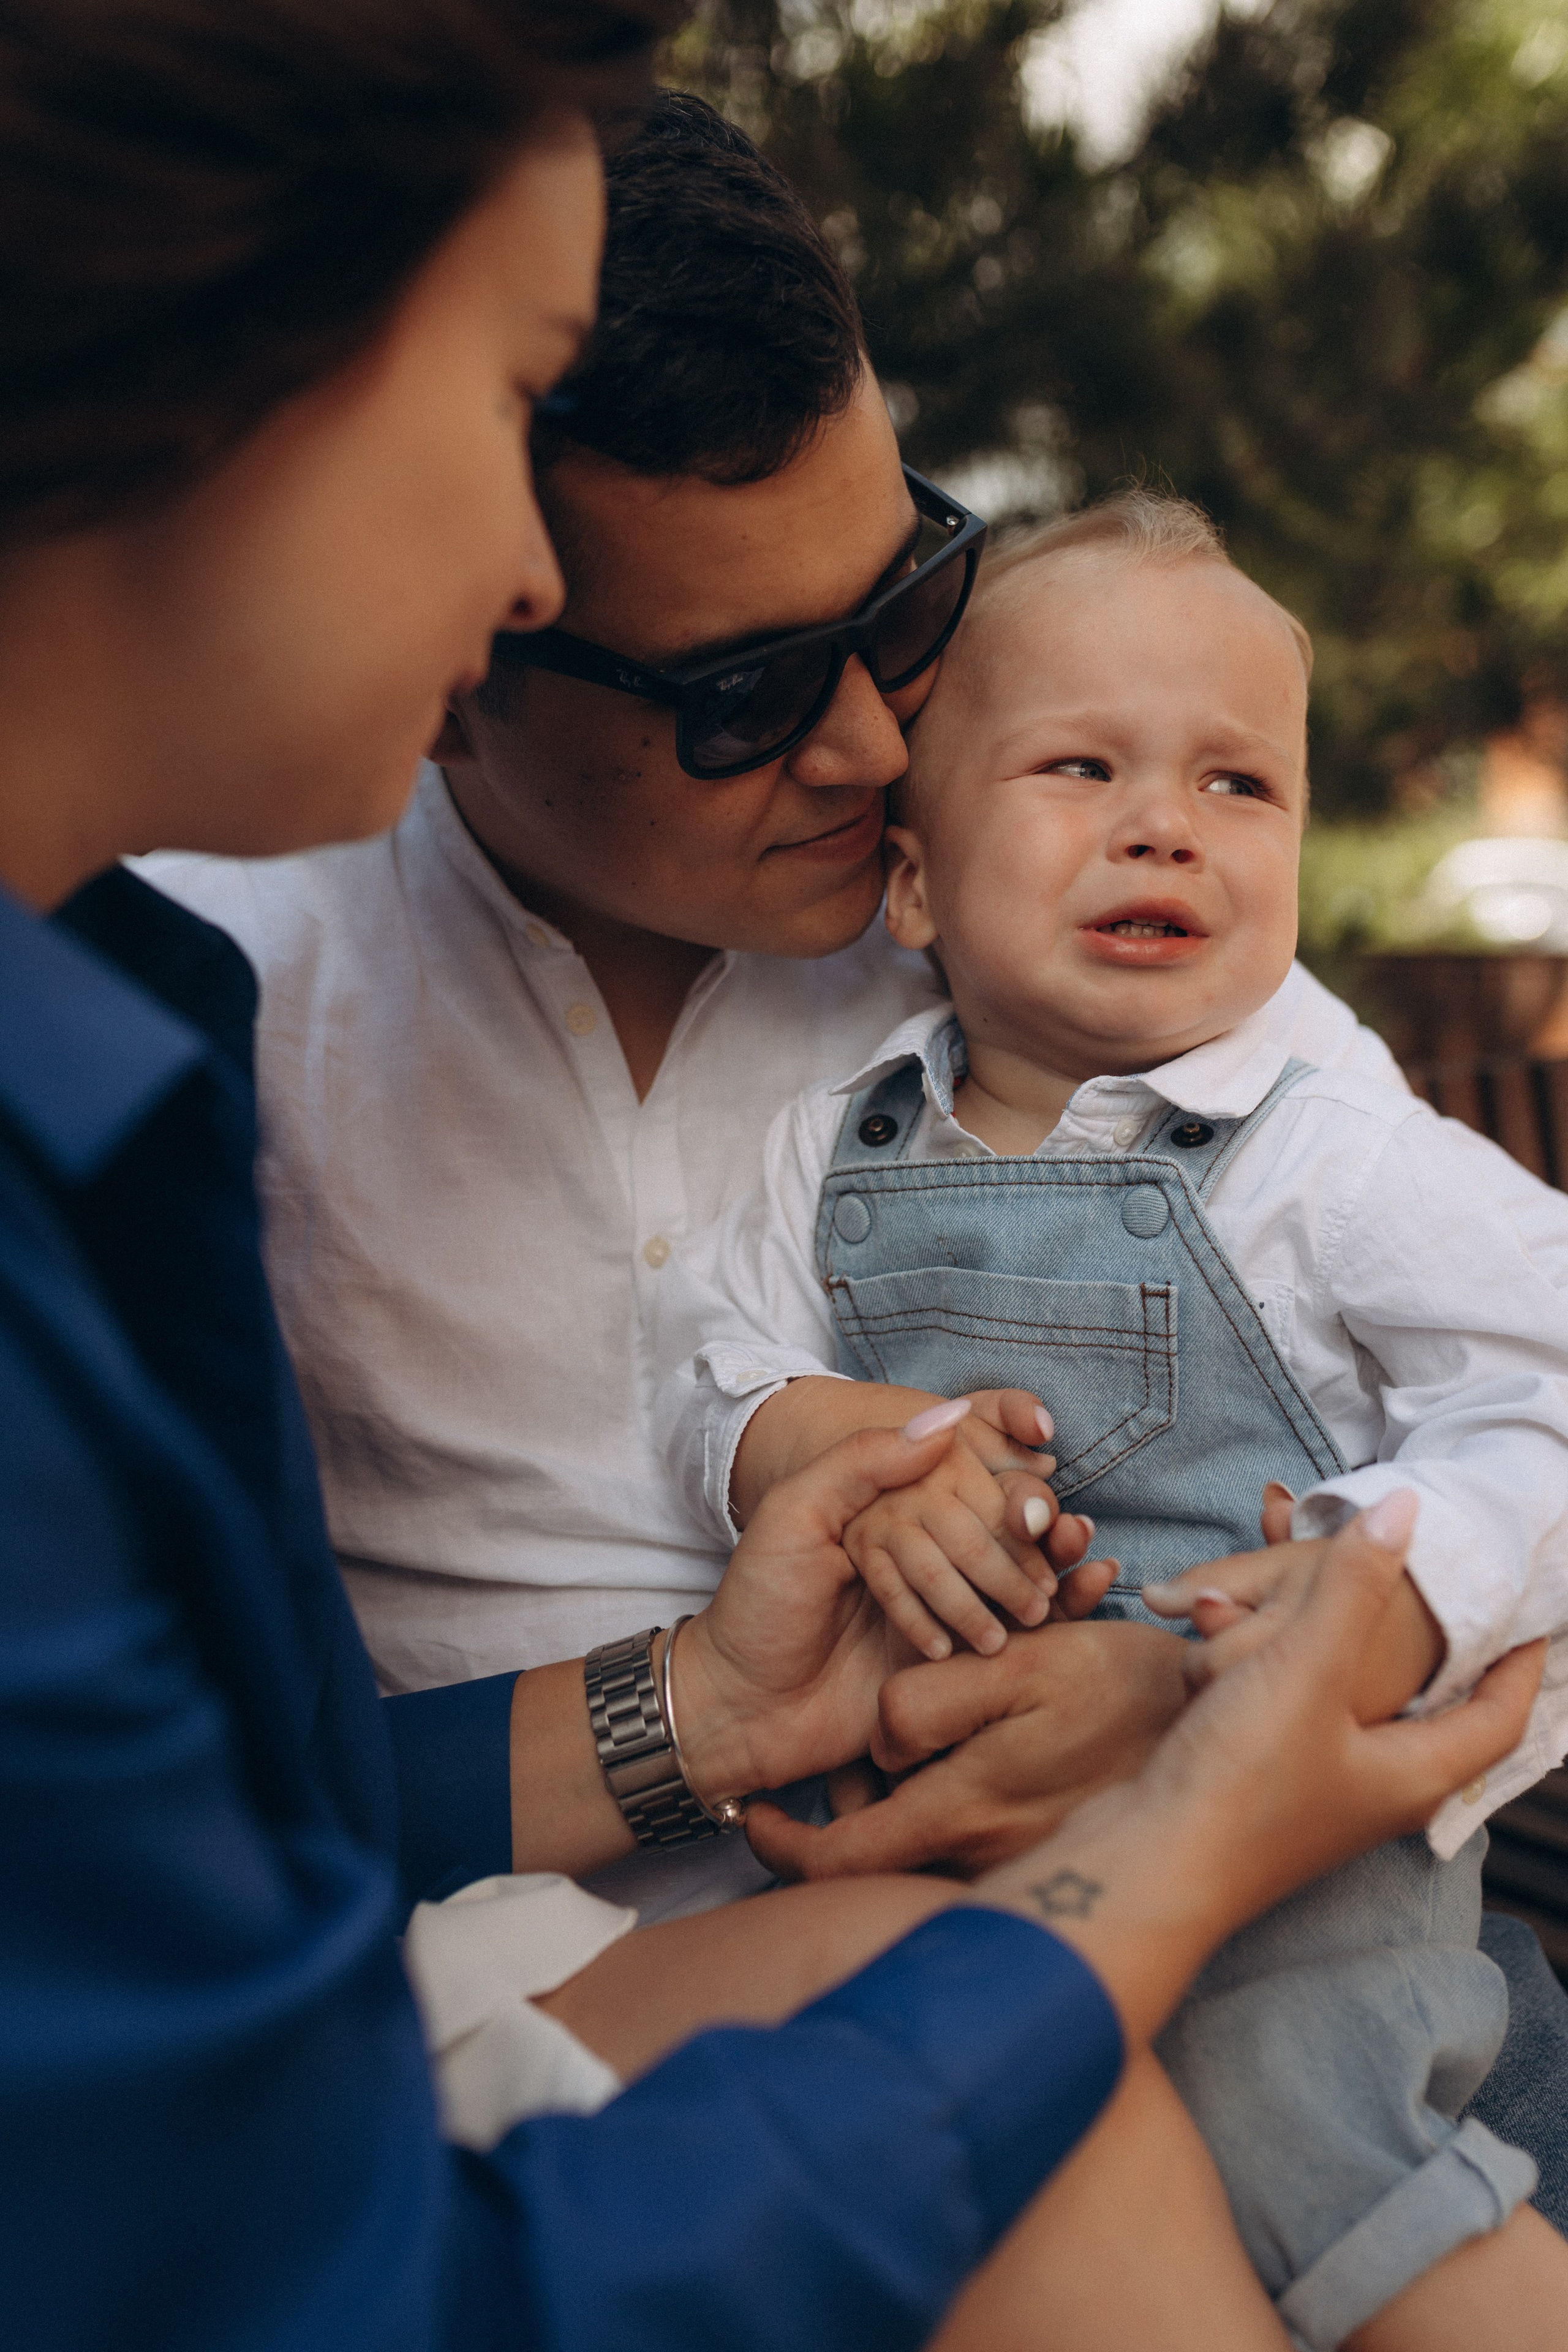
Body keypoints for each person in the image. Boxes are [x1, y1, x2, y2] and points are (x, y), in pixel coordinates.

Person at [6, 9, 1550, 2348]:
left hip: (1294, 1945)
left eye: (910, 603)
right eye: (737, 690)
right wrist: (1147, 1842)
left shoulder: (1060, 941)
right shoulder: (179, 1004)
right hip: (726, 2039)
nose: (869, 741)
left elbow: (1488, 1399)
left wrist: (1200, 1709)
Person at [663, 491, 1568, 2348]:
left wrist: (1372, 1584)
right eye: (1084, 766)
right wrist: (824, 1440)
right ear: (914, 880)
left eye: (1243, 787)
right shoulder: (825, 1145)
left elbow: (1546, 1376)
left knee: (1339, 2184)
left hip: (1283, 1854)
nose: (1168, 820)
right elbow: (716, 1369)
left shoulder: (1323, 1152)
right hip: (955, 1851)